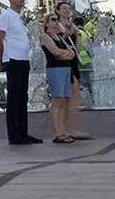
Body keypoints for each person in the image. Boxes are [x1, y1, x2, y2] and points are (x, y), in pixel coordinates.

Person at [0, 0, 42, 145]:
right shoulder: (6, 16)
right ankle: (14, 135)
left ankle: (23, 133)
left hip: (23, 60)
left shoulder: (20, 18)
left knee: (23, 97)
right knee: (14, 98)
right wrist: (1, 61)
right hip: (12, 60)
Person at [56, 2, 90, 139]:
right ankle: (69, 128)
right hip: (62, 63)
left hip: (73, 63)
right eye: (64, 8)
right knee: (71, 96)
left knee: (72, 97)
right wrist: (65, 34)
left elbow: (79, 49)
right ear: (58, 11)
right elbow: (55, 43)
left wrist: (76, 35)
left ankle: (71, 128)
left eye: (68, 8)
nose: (67, 10)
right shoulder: (56, 25)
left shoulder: (73, 26)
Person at [41, 13, 77, 143]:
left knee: (66, 100)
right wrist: (65, 54)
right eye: (53, 20)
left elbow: (72, 52)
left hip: (66, 69)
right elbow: (55, 52)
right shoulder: (45, 36)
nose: (57, 22)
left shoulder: (60, 38)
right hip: (55, 70)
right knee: (58, 100)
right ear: (46, 23)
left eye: (57, 19)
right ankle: (57, 133)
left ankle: (63, 130)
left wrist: (65, 55)